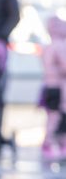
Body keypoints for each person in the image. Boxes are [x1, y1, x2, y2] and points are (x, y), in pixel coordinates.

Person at [40, 15, 66, 162]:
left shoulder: (47, 46)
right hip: (58, 88)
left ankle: (48, 144)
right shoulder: (60, 45)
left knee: (51, 116)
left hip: (47, 86)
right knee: (58, 116)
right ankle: (56, 143)